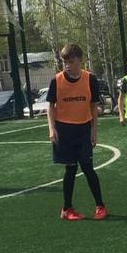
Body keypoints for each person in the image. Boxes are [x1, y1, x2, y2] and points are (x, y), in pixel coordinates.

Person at [47, 43, 107, 221]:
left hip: (83, 129)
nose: (67, 65)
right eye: (65, 62)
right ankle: (67, 209)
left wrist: (94, 131)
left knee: (88, 168)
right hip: (64, 130)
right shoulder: (56, 80)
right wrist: (51, 128)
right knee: (70, 169)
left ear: (80, 60)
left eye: (71, 61)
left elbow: (93, 106)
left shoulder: (90, 79)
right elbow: (50, 106)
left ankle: (100, 206)